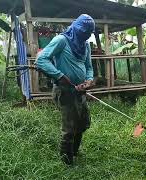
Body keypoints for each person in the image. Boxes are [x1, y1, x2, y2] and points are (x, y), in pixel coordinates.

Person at [36, 14, 95, 165]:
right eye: (83, 33)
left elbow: (88, 67)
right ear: (75, 28)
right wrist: (59, 75)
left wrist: (88, 81)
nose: (85, 36)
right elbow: (41, 60)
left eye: (88, 34)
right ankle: (66, 161)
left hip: (80, 91)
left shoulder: (85, 45)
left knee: (82, 123)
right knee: (69, 128)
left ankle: (74, 152)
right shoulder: (61, 40)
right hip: (65, 90)